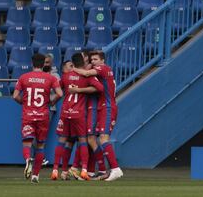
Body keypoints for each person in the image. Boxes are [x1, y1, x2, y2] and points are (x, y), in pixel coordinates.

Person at [51, 53, 104, 181]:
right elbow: (100, 88)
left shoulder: (65, 76)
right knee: (82, 141)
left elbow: (58, 88)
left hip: (65, 112)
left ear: (73, 64)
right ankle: (84, 170)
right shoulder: (87, 76)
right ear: (83, 63)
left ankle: (55, 170)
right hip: (78, 113)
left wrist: (52, 100)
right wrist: (83, 89)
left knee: (63, 140)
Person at [73, 50, 123, 181]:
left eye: (95, 59)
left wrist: (74, 69)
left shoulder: (103, 68)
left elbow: (87, 73)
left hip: (107, 107)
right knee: (98, 139)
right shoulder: (103, 70)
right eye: (92, 60)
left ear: (102, 60)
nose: (93, 62)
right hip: (103, 107)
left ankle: (115, 169)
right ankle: (105, 170)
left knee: (103, 138)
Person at [13, 53, 63, 183]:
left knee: (27, 143)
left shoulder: (24, 77)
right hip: (43, 116)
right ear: (43, 64)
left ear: (32, 63)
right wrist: (52, 101)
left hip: (28, 115)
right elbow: (60, 93)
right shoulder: (50, 78)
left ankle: (28, 158)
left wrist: (23, 102)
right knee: (41, 146)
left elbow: (15, 95)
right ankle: (35, 175)